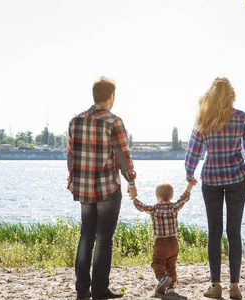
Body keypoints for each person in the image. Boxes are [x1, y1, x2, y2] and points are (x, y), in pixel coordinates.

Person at [184, 77, 245, 299]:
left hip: (211, 181)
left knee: (214, 232)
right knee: (234, 232)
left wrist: (190, 174)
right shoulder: (241, 117)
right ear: (231, 96)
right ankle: (234, 287)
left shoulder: (203, 119)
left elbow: (193, 153)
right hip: (237, 179)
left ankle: (215, 286)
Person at [67, 76, 137, 300]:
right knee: (104, 237)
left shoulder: (75, 121)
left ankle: (81, 290)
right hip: (107, 187)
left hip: (84, 188)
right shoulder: (113, 121)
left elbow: (71, 157)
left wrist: (75, 181)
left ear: (93, 95)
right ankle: (99, 290)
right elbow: (123, 157)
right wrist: (132, 182)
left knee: (86, 235)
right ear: (111, 97)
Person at [129, 181, 195, 296]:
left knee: (157, 263)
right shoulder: (174, 207)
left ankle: (163, 278)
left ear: (157, 196)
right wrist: (190, 186)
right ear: (171, 196)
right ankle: (170, 287)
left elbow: (141, 207)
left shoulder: (154, 209)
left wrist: (134, 198)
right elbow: (184, 198)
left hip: (161, 242)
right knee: (171, 265)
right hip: (174, 242)